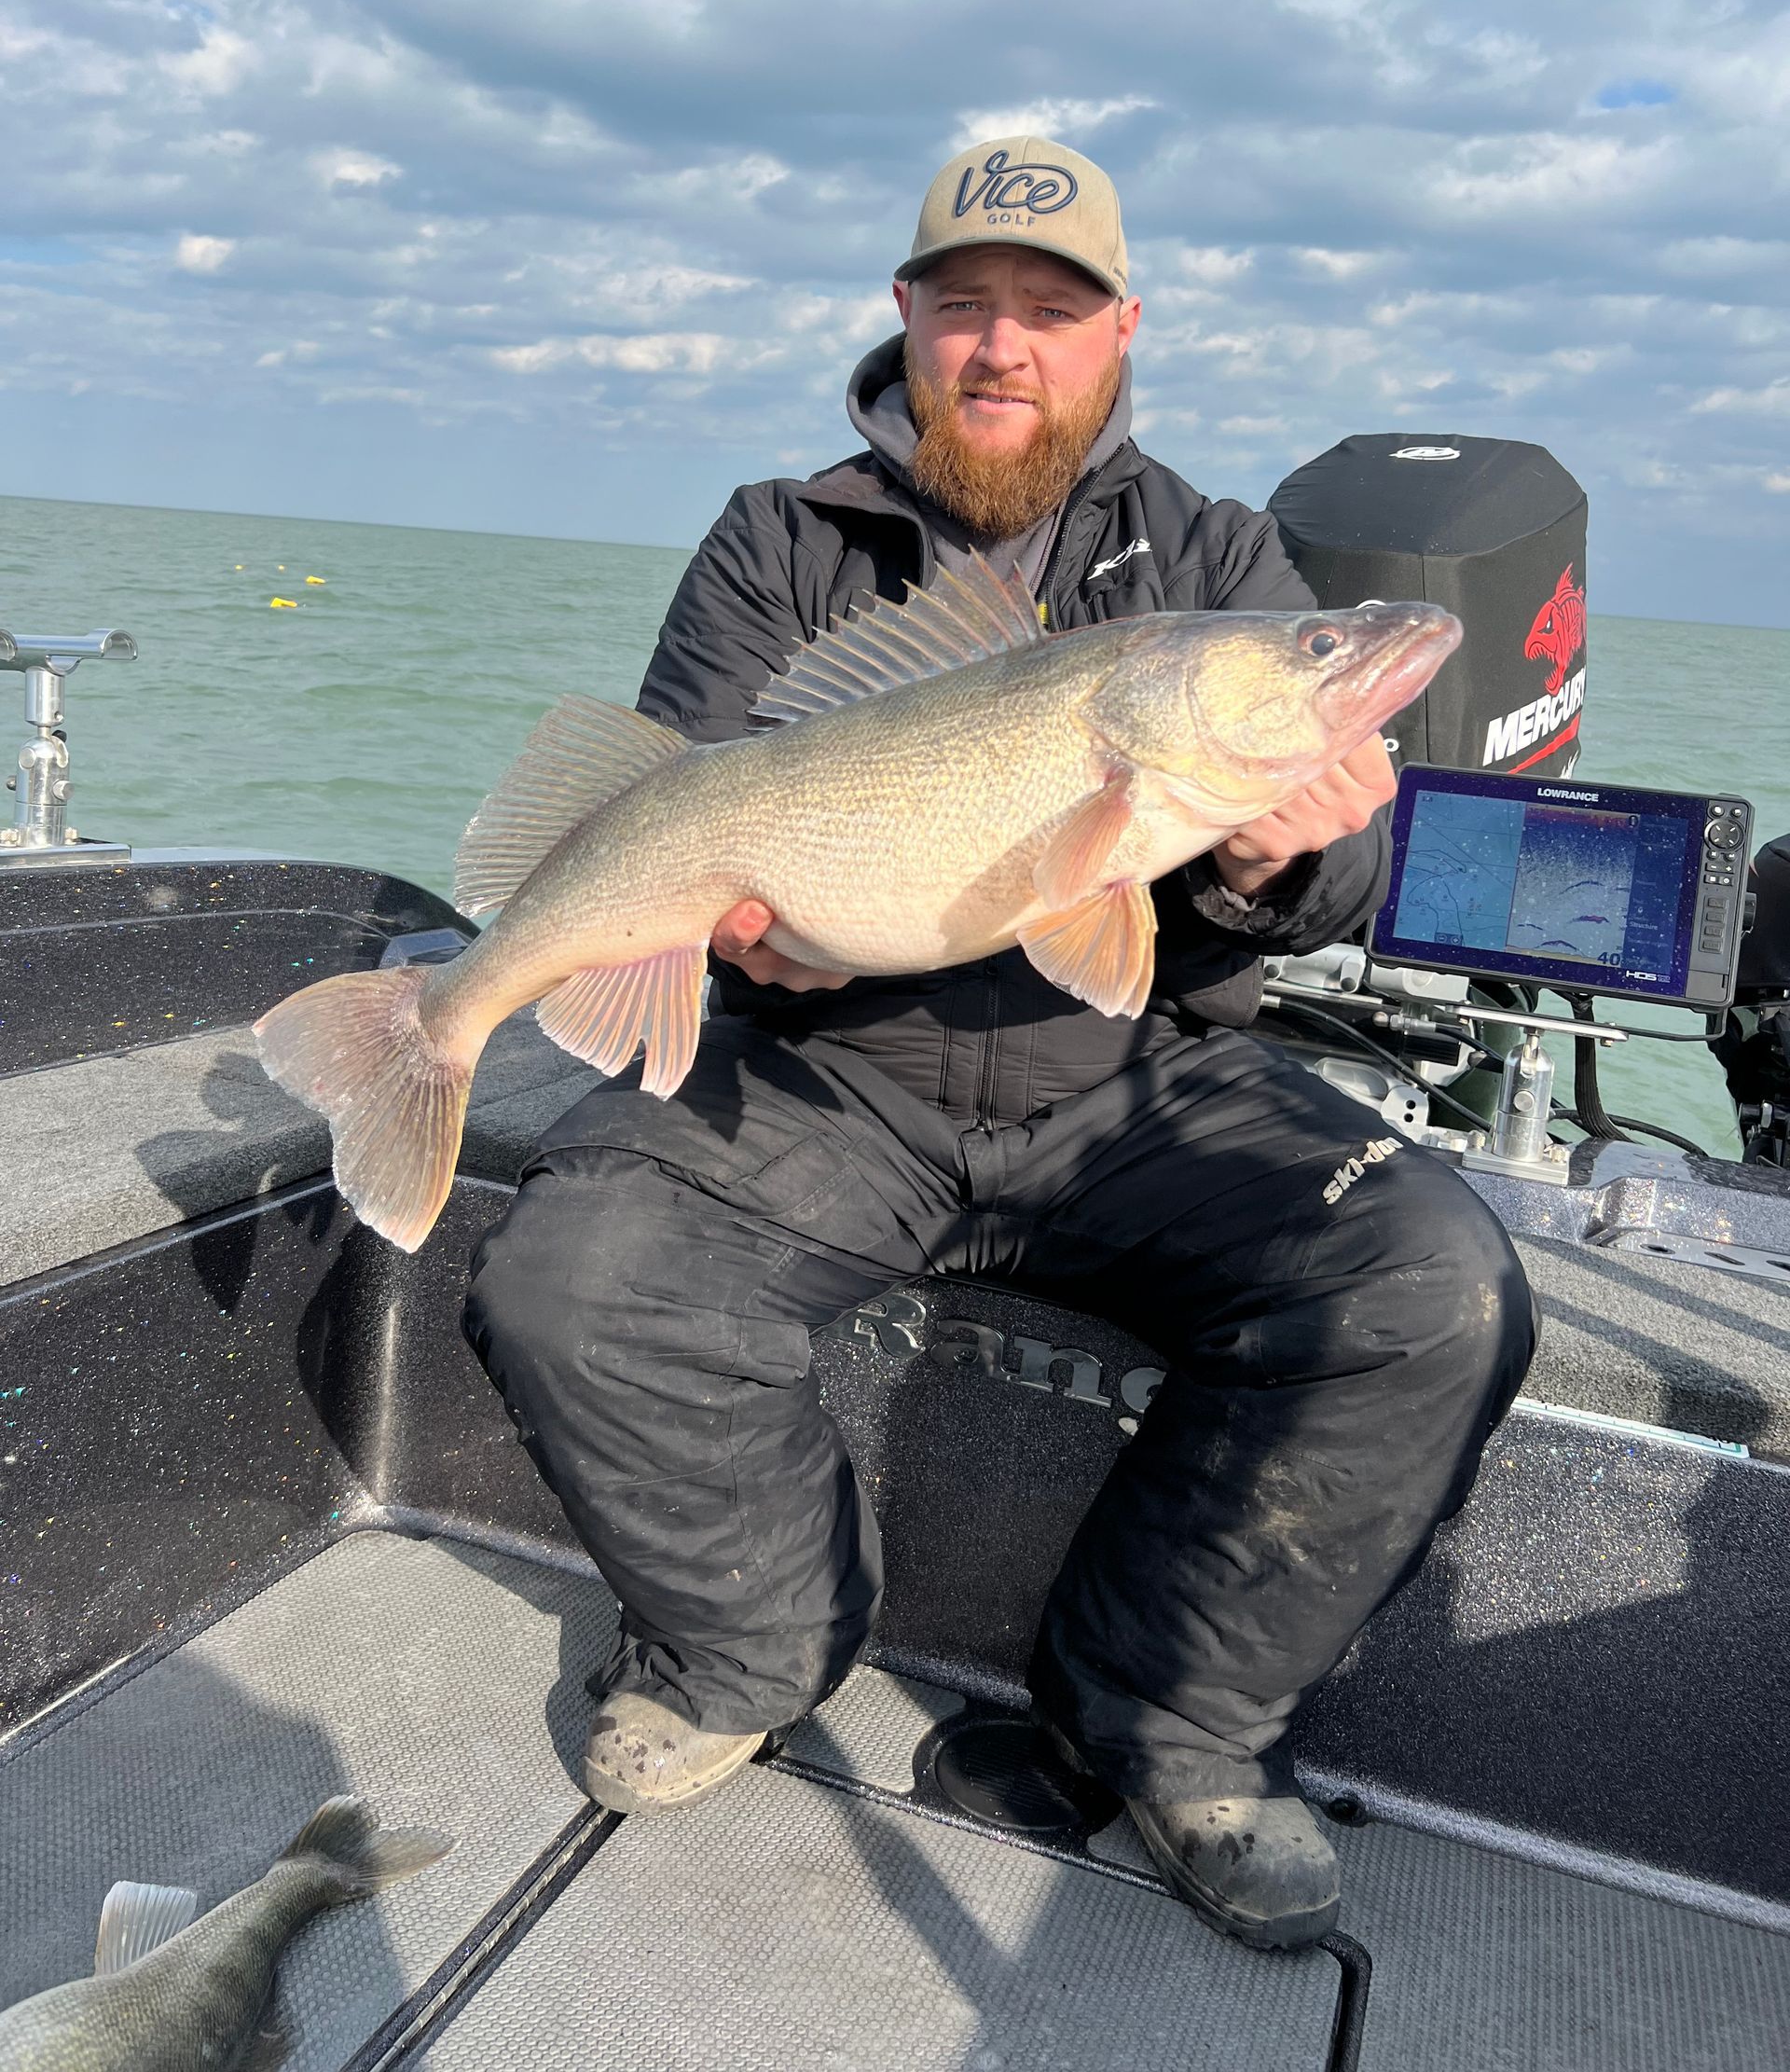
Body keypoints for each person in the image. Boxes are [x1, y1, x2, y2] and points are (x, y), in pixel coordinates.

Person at [463, 135, 1535, 1952]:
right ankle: (743, 1650)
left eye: (1052, 309)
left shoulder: (1215, 557)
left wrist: (1278, 850)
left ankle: (1172, 1725)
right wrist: (753, 942)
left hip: (1131, 1082)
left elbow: (1336, 880)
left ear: (1123, 331)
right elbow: (676, 798)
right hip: (831, 1075)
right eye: (966, 305)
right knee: (572, 1279)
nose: (1003, 345)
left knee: (1435, 1285)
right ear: (907, 317)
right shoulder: (781, 538)